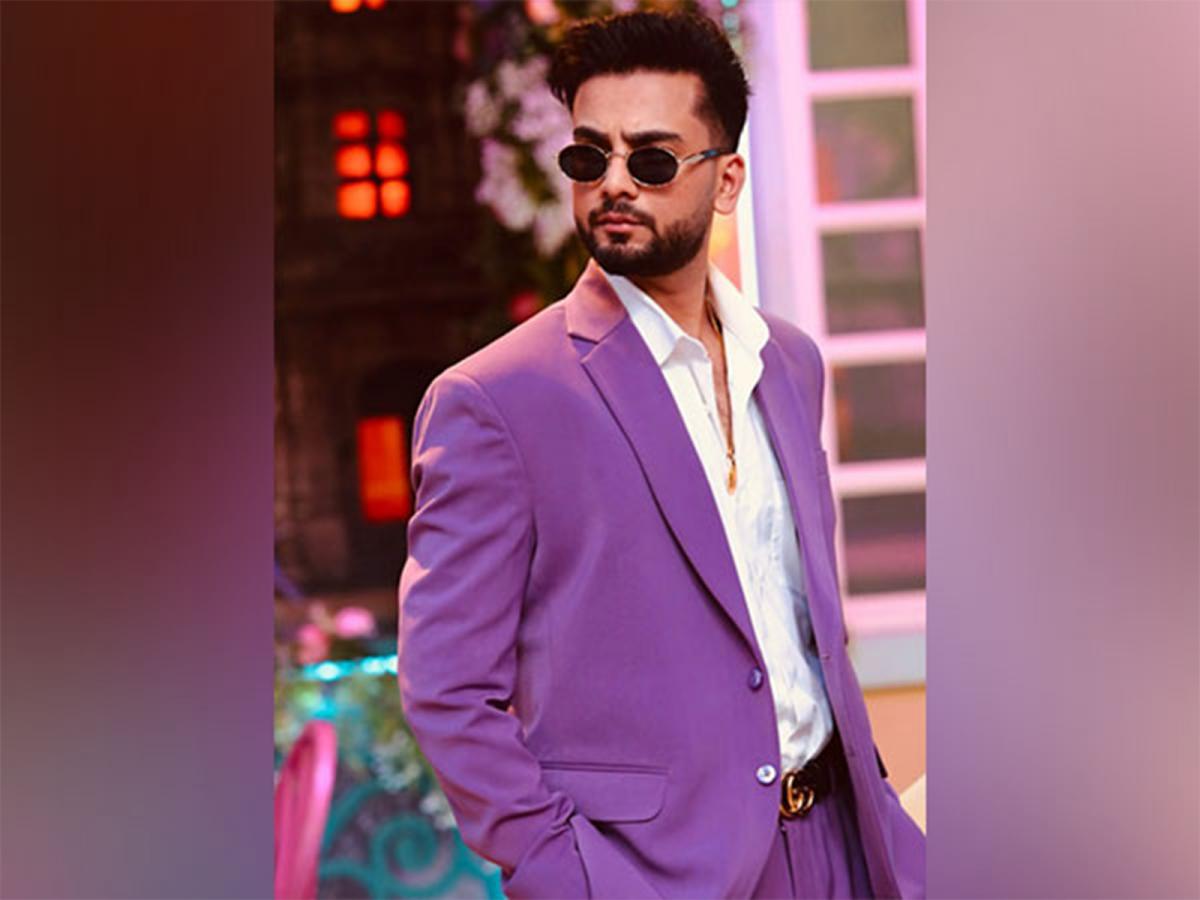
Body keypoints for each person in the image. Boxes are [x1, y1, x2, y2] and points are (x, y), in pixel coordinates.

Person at [398, 10, 925, 898]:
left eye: (649, 160)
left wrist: (878, 824)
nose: (613, 183)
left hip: (840, 849)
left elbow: (802, 630)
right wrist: (570, 876)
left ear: (727, 181)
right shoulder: (496, 401)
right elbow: (446, 688)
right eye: (588, 157)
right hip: (654, 878)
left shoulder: (788, 364)